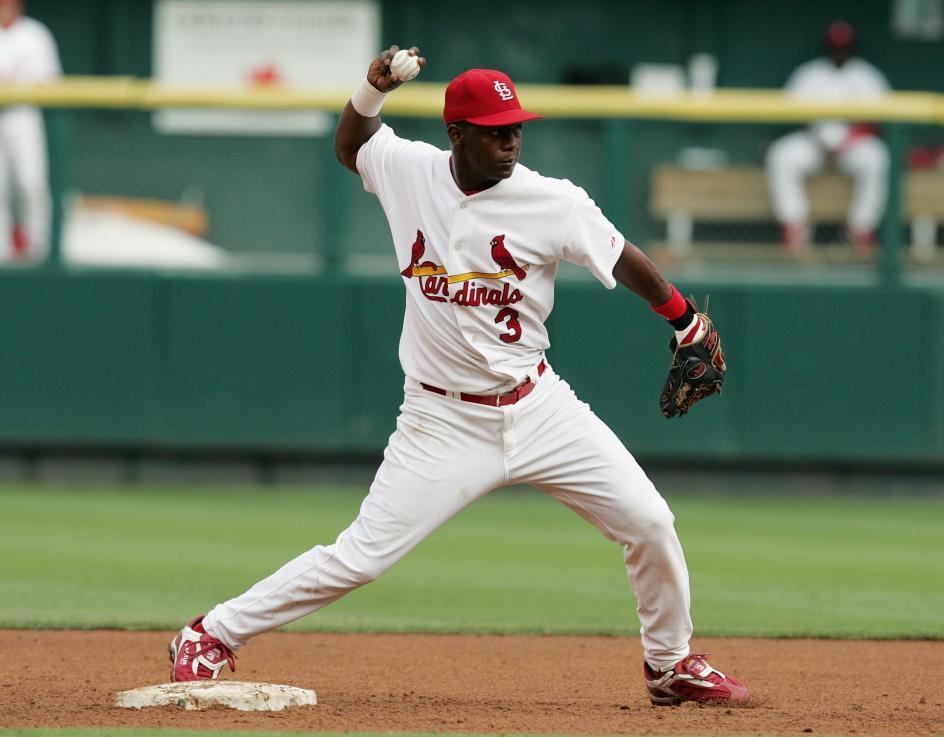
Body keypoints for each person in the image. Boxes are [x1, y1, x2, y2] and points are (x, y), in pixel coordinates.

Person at [169, 46, 749, 708]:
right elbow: (350, 144)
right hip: (440, 419)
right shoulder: (410, 170)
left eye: (516, 129)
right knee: (361, 556)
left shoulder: (550, 201)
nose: (509, 141)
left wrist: (683, 320)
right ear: (456, 133)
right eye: (495, 131)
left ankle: (669, 664)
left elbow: (622, 256)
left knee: (649, 520)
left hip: (540, 406)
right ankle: (209, 633)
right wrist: (371, 88)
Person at [765, 21, 890, 254]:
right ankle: (795, 225)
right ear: (827, 47)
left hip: (853, 146)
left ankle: (860, 229)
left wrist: (850, 139)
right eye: (835, 47)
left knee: (877, 157)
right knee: (782, 154)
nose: (839, 52)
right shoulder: (809, 73)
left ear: (853, 48)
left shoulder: (867, 76)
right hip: (814, 143)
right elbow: (791, 113)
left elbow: (880, 121)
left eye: (844, 47)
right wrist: (818, 138)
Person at [0, 0, 60, 263]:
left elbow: (51, 79)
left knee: (31, 182)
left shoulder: (35, 33)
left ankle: (37, 250)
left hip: (23, 114)